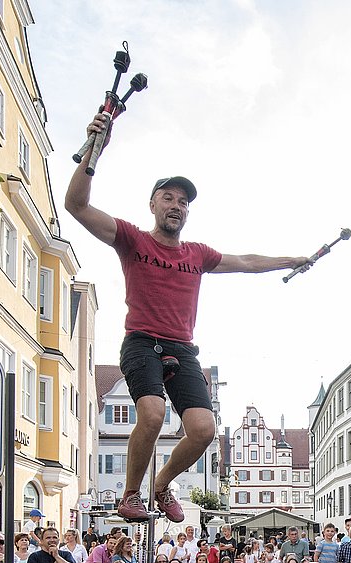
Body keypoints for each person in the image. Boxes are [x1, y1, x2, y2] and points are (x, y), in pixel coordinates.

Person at [65, 114, 310, 523]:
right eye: (169, 198)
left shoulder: (196, 254)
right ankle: (130, 494)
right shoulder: (133, 239)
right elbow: (77, 205)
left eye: (183, 202)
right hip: (143, 341)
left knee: (202, 429)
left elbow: (245, 261)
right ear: (153, 203)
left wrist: (290, 259)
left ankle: (160, 485)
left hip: (182, 349)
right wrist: (94, 149)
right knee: (153, 413)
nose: (176, 206)